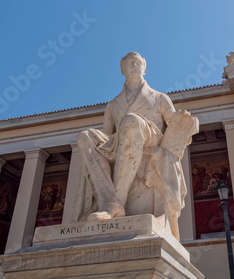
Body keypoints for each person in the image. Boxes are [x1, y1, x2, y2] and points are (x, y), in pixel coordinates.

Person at [70, 52, 198, 239]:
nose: (134, 66)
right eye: (130, 63)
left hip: (150, 139)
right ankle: (110, 201)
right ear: (122, 69)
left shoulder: (160, 97)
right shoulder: (112, 105)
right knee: (84, 136)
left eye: (138, 63)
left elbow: (174, 125)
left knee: (131, 120)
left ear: (145, 68)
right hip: (120, 143)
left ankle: (116, 203)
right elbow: (107, 136)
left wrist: (184, 120)